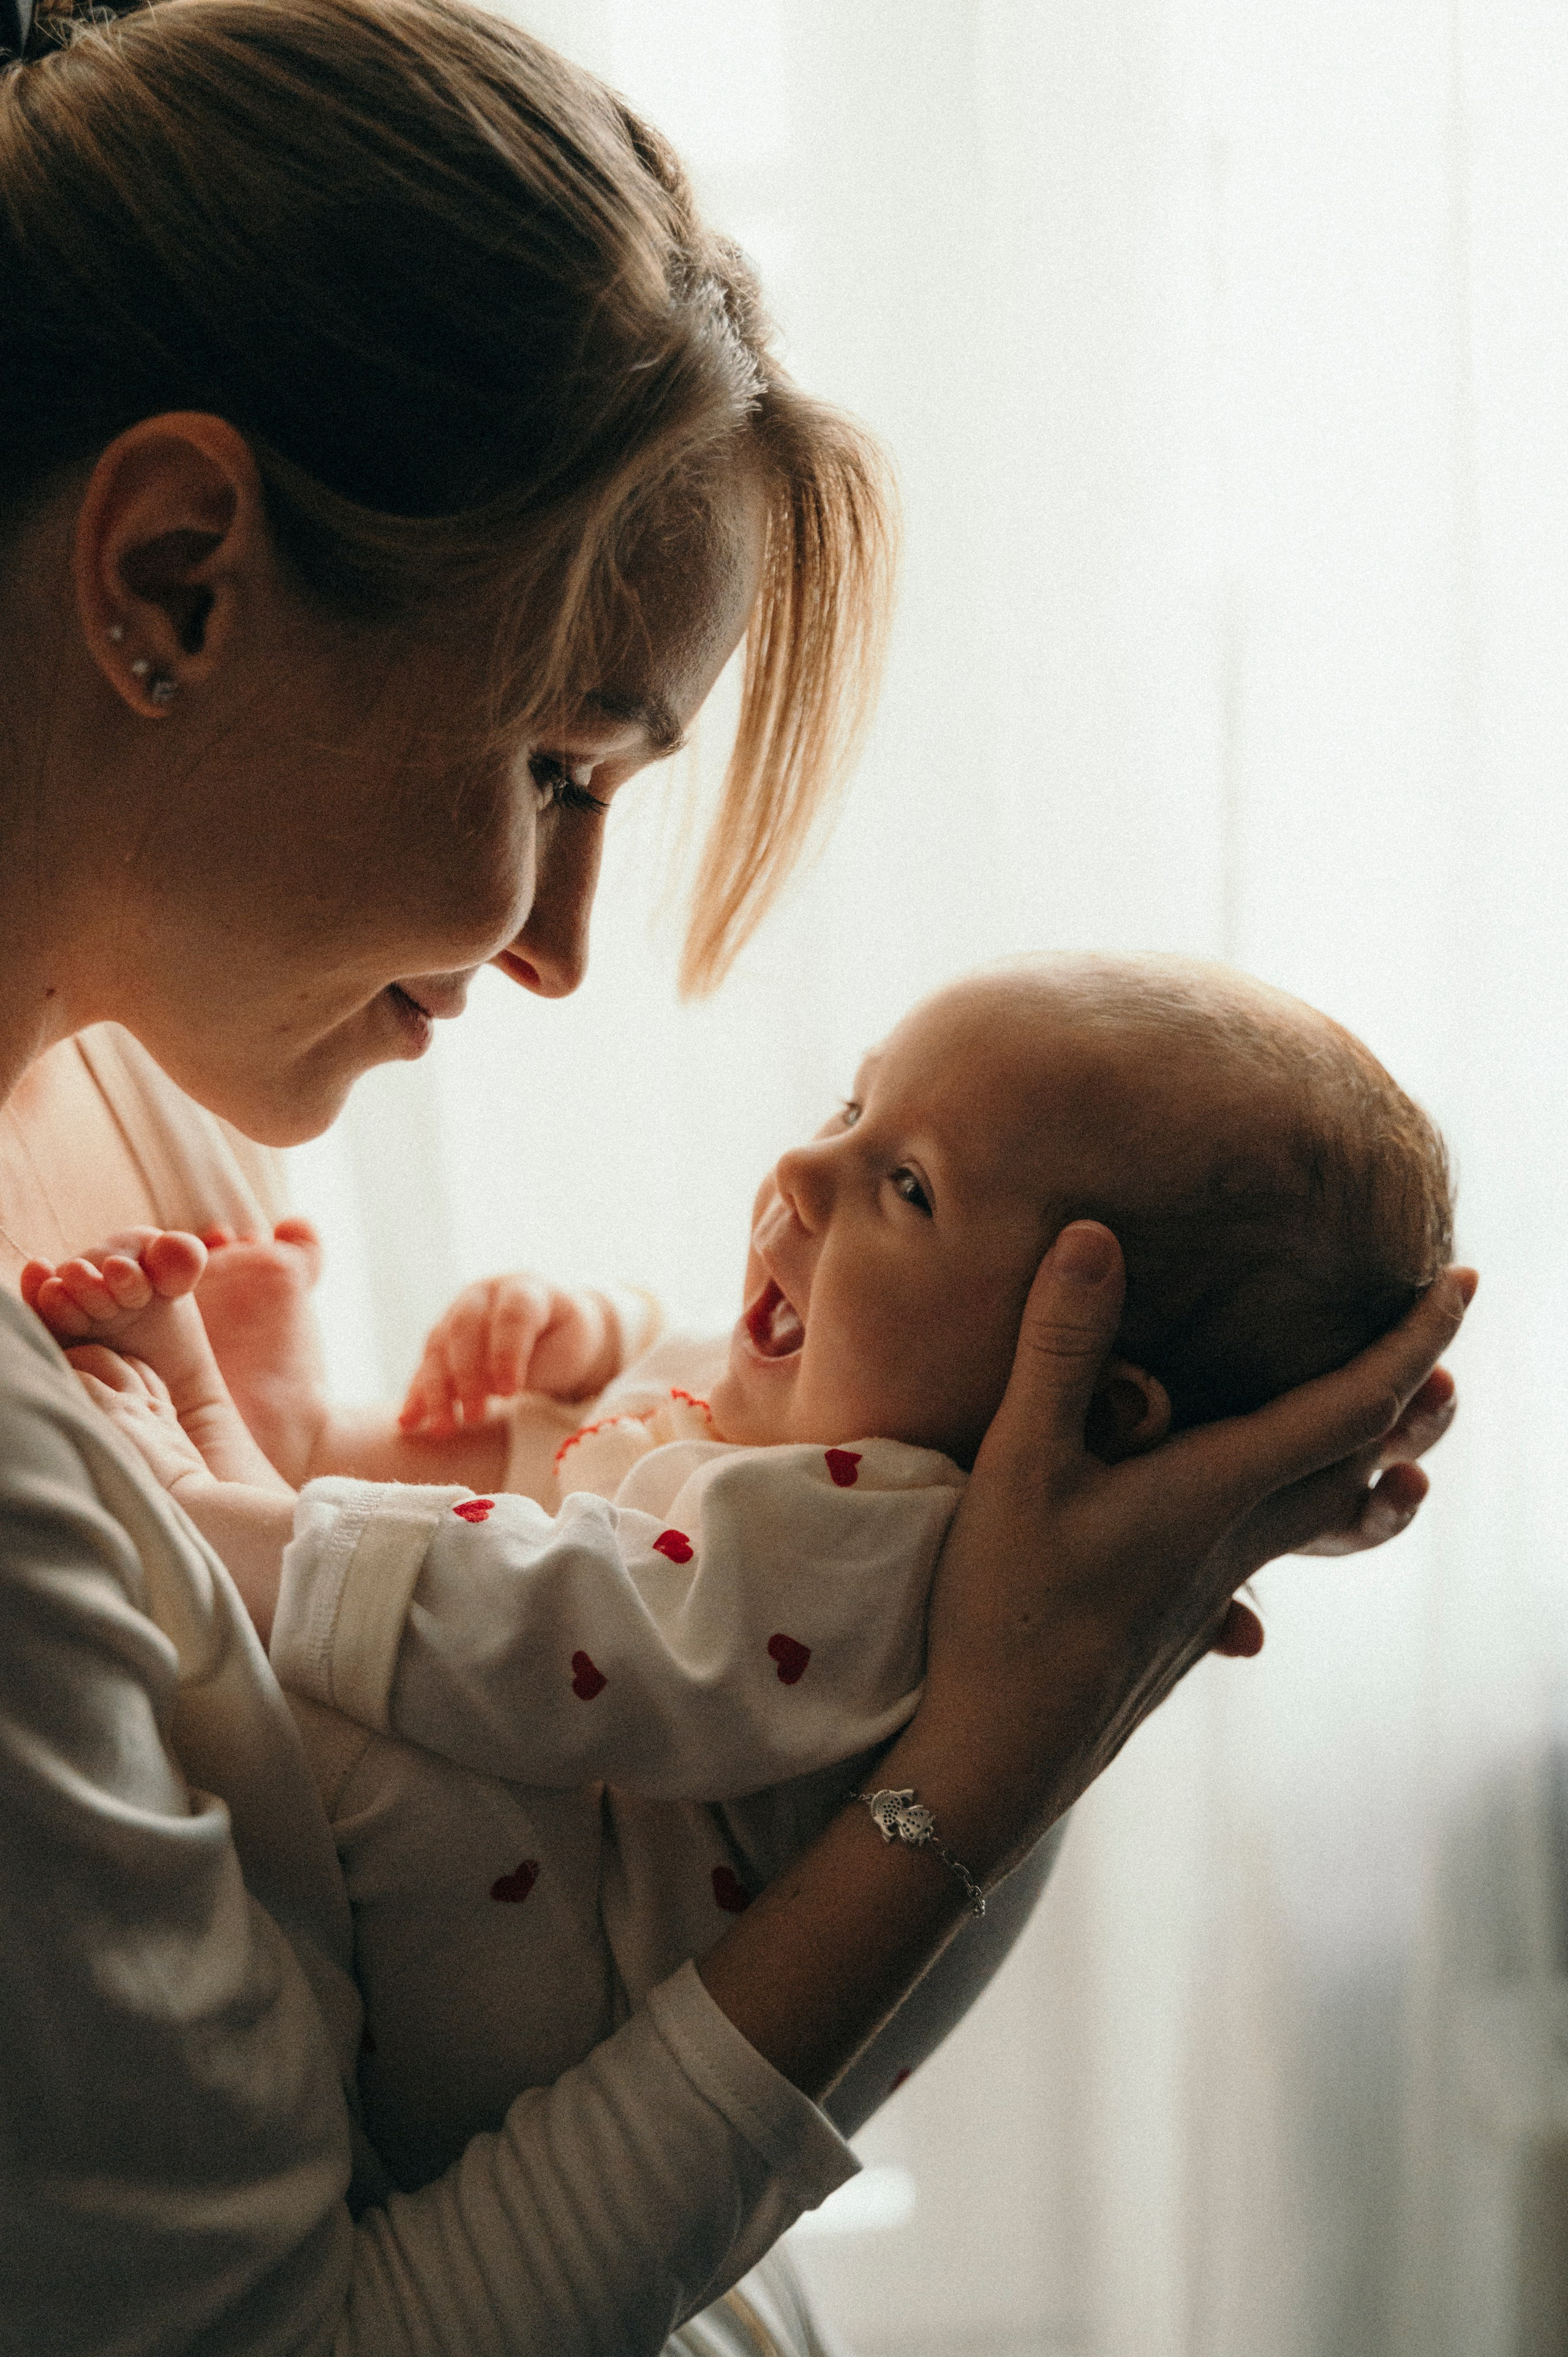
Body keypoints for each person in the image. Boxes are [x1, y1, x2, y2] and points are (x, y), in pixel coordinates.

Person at [0, 0, 1471, 2347]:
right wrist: (993, 1764)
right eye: (563, 768)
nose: (567, 948)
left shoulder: (139, 1063)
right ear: (173, 579)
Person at [27, 953, 1456, 2199]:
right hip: (552, 1905)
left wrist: (214, 1526)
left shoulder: (891, 1544)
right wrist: (604, 1333)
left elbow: (595, 1636)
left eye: (905, 1186)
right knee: (565, 1485)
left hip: (511, 2019)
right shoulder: (887, 1443)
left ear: (1085, 1393)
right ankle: (285, 1448)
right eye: (850, 1110)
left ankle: (222, 1484)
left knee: (440, 1673)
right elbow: (702, 1396)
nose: (802, 1171)